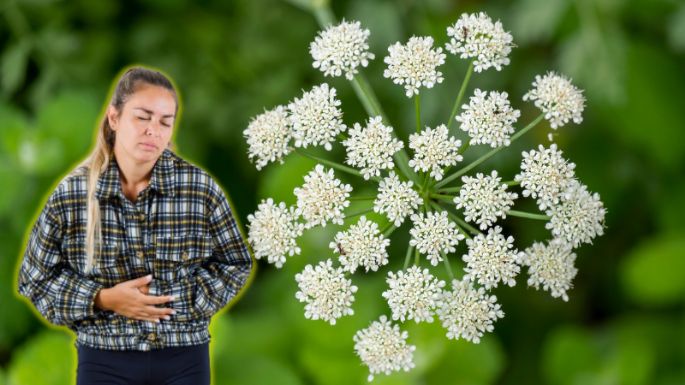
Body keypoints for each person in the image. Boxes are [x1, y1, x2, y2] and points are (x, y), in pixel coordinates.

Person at [17, 66, 254, 385]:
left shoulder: (199, 188)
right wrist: (101, 298)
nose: (153, 131)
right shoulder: (73, 195)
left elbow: (236, 262)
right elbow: (33, 279)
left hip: (185, 357)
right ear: (114, 118)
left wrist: (182, 302)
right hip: (104, 359)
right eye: (142, 117)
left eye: (164, 122)